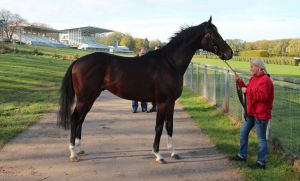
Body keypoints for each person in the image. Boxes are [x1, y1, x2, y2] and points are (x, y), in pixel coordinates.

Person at [230, 58, 274, 169]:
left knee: (261, 139)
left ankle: (261, 162)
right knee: (243, 132)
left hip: (261, 114)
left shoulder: (266, 80)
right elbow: (248, 89)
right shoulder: (254, 78)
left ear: (259, 68)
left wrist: (247, 91)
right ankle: (242, 155)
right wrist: (239, 82)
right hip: (251, 113)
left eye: (252, 66)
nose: (251, 68)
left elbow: (263, 96)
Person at [132, 47, 148, 113]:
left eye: (144, 53)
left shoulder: (147, 60)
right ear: (139, 52)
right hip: (135, 79)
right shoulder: (134, 59)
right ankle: (134, 108)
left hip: (144, 80)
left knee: (144, 94)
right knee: (134, 94)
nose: (143, 55)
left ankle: (144, 108)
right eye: (142, 53)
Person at [147, 45, 161, 113]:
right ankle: (154, 106)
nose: (156, 51)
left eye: (158, 49)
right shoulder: (152, 56)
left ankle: (159, 107)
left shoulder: (162, 57)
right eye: (155, 49)